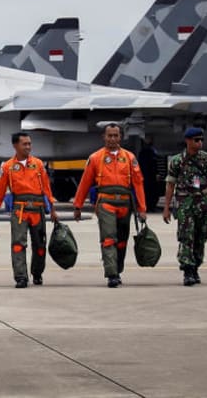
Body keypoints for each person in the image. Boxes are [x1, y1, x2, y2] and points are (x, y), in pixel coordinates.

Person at [73, 123, 146, 288]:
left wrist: (142, 209)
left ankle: (118, 270)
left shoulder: (129, 158)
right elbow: (85, 183)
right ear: (104, 137)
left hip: (125, 204)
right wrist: (77, 206)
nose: (112, 138)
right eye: (109, 135)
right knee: (108, 239)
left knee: (121, 241)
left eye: (115, 135)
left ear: (120, 137)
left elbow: (138, 183)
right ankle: (111, 273)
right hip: (106, 203)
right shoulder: (95, 158)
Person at [0, 133, 59, 288]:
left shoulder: (39, 164)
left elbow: (47, 188)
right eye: (24, 144)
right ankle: (21, 276)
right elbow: (0, 190)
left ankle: (37, 273)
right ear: (15, 145)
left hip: (37, 209)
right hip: (19, 210)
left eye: (29, 143)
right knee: (18, 244)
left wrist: (53, 209)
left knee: (40, 245)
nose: (28, 147)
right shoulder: (7, 166)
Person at [162, 127, 207, 286]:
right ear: (187, 141)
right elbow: (170, 185)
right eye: (196, 140)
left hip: (202, 202)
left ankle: (195, 266)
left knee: (201, 236)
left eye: (201, 140)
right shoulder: (176, 161)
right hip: (184, 203)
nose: (199, 143)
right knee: (186, 236)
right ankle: (187, 269)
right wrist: (167, 207)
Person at [138, 137, 160, 211]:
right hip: (146, 176)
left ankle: (150, 206)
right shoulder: (145, 153)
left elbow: (154, 165)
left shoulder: (151, 152)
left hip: (150, 176)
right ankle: (148, 206)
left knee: (151, 191)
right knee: (148, 191)